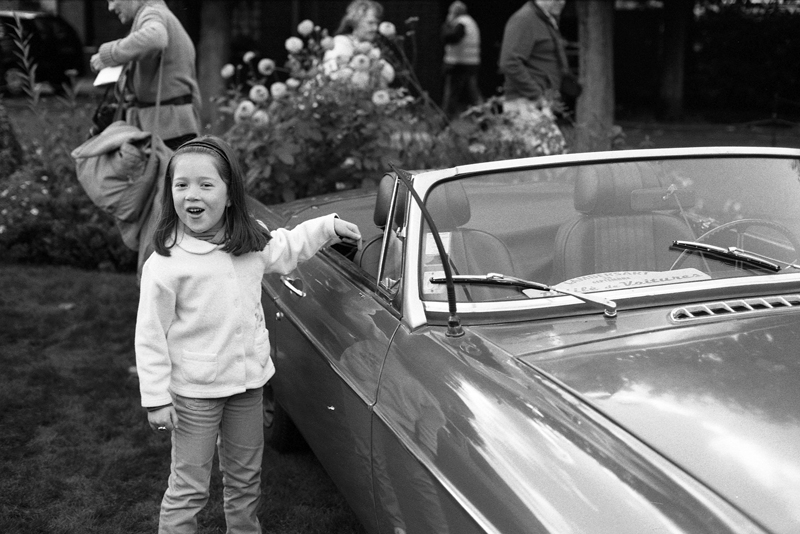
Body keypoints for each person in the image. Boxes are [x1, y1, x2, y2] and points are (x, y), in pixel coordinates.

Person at [134, 135, 361, 532]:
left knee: (245, 481)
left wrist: (328, 226)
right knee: (189, 487)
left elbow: (288, 247)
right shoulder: (166, 264)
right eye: (181, 184)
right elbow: (150, 335)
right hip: (195, 394)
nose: (192, 195)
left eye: (206, 184)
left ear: (230, 192)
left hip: (248, 387)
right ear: (170, 192)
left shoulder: (250, 240)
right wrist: (155, 398)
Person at [90, 0, 201, 151]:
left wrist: (108, 54)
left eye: (113, 0)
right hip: (171, 126)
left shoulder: (151, 12)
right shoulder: (156, 14)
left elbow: (155, 38)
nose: (110, 7)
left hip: (169, 130)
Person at [498, 0, 569, 119]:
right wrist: (536, 95)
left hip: (536, 102)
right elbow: (509, 62)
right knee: (551, 138)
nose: (561, 2)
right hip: (526, 103)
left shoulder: (544, 18)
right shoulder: (525, 19)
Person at [441, 1, 482, 119]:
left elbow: (450, 38)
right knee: (474, 94)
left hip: (458, 64)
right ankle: (485, 121)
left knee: (451, 96)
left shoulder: (460, 24)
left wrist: (447, 24)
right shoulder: (470, 22)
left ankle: (445, 122)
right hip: (471, 63)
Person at [323, 0, 383, 71]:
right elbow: (330, 74)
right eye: (370, 23)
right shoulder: (341, 43)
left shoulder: (375, 48)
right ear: (355, 22)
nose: (375, 28)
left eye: (377, 23)